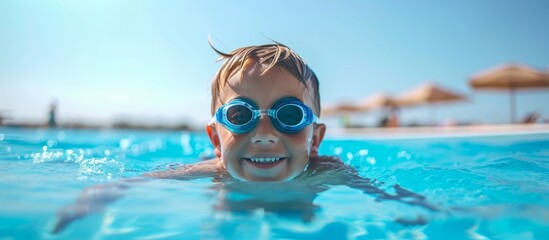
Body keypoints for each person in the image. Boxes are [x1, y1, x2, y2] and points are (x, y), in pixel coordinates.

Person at [52, 42, 437, 234]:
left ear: (315, 139)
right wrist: (95, 197)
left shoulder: (329, 172)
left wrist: (416, 214)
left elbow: (388, 195)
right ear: (216, 141)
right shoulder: (211, 170)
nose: (264, 134)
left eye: (288, 116)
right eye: (240, 116)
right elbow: (131, 184)